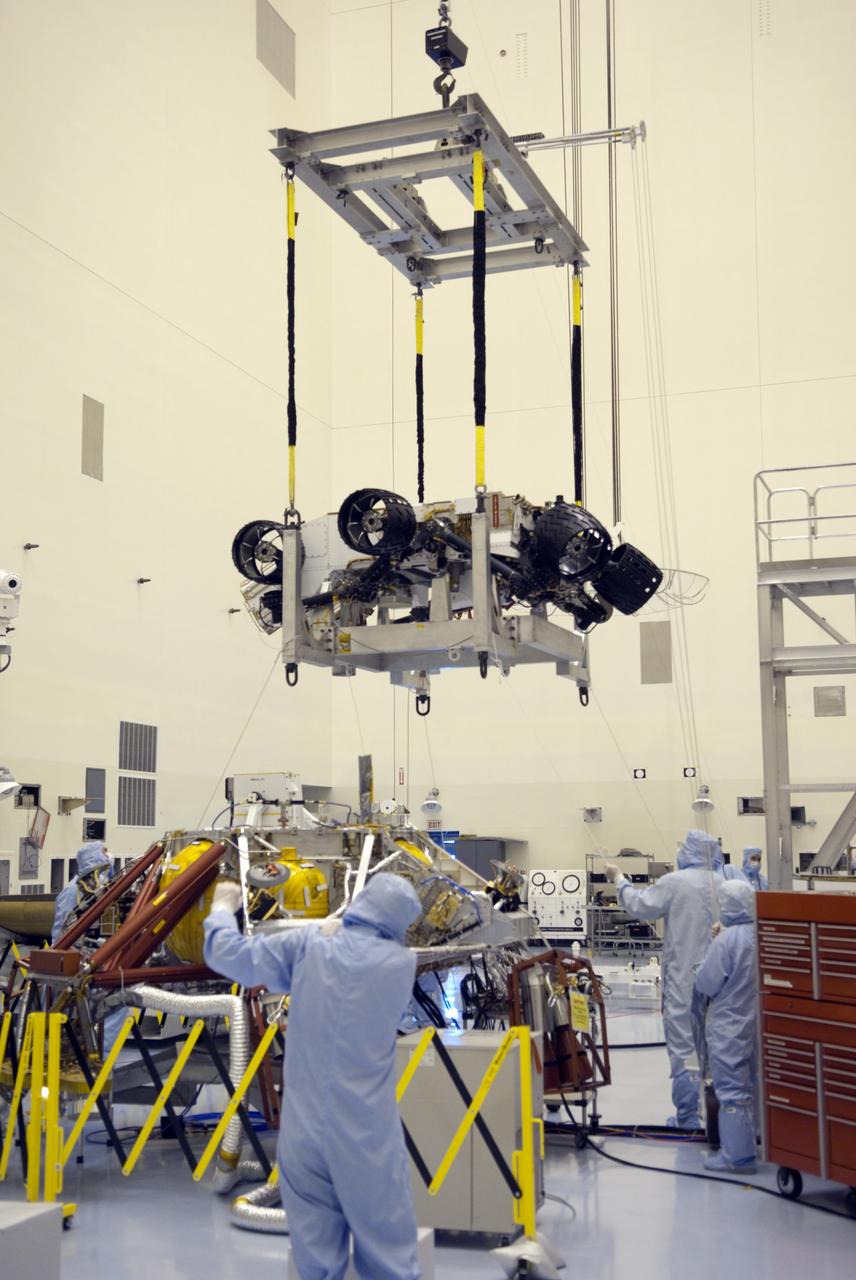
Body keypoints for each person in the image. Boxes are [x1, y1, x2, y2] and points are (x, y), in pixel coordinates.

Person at [204, 872, 422, 1280]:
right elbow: (362, 964)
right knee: (390, 1260)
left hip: (301, 1137)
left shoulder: (309, 947)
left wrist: (221, 909)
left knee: (315, 1266)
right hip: (365, 1140)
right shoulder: (400, 964)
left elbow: (226, 955)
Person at [605, 829, 723, 1128]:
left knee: (685, 1047)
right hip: (721, 981)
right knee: (716, 1046)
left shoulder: (676, 883)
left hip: (684, 980)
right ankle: (721, 1116)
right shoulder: (725, 884)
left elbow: (641, 906)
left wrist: (619, 880)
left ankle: (687, 1117)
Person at [694, 879, 759, 1172]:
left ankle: (738, 1156)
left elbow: (707, 983)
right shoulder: (761, 934)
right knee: (753, 1086)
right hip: (757, 1023)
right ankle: (757, 1142)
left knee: (731, 1089)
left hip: (730, 1024)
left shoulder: (726, 941)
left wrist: (708, 955)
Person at [51, 840, 113, 943]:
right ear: (93, 858)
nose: (108, 855)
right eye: (104, 852)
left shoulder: (101, 884)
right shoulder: (72, 890)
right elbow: (62, 929)